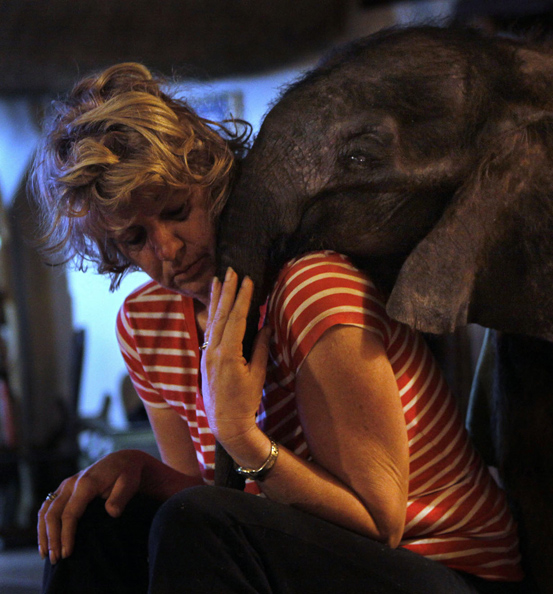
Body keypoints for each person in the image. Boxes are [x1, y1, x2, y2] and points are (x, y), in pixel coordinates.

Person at [29, 62, 525, 593]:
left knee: (194, 523)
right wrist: (138, 469)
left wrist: (242, 436)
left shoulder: (310, 289)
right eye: (134, 239)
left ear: (210, 178)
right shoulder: (146, 323)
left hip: (445, 571)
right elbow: (212, 492)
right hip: (310, 556)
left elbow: (380, 521)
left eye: (176, 211)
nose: (167, 249)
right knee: (97, 519)